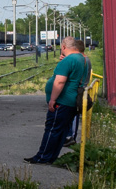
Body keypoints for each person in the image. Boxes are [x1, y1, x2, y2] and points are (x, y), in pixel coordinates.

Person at [26, 36, 91, 164]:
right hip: (73, 101)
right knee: (61, 131)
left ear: (63, 47)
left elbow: (60, 81)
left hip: (63, 101)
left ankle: (42, 157)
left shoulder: (69, 60)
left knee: (52, 129)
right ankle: (51, 157)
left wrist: (52, 99)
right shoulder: (83, 58)